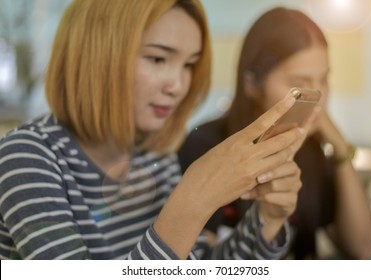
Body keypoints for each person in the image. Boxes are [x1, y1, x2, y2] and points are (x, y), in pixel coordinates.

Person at [0, 0, 307, 260]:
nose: (178, 85)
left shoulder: (153, 157)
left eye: (189, 65)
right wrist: (194, 199)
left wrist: (268, 219)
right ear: (97, 55)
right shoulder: (26, 157)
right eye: (158, 58)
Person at [178, 7, 371, 259]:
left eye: (324, 79)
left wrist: (340, 147)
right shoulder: (205, 146)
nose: (318, 98)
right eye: (301, 84)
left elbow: (360, 248)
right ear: (252, 83)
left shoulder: (310, 149)